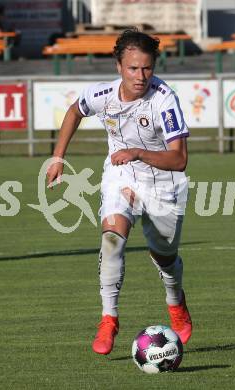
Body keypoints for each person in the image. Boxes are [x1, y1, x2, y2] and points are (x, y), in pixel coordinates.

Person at [47, 28, 192, 355]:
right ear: (118, 67)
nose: (141, 76)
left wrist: (139, 152)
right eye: (133, 68)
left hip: (163, 182)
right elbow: (74, 111)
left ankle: (176, 303)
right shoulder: (103, 95)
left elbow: (180, 159)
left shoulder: (164, 100)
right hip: (121, 175)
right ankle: (109, 318)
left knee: (164, 259)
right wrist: (58, 156)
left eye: (147, 68)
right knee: (112, 238)